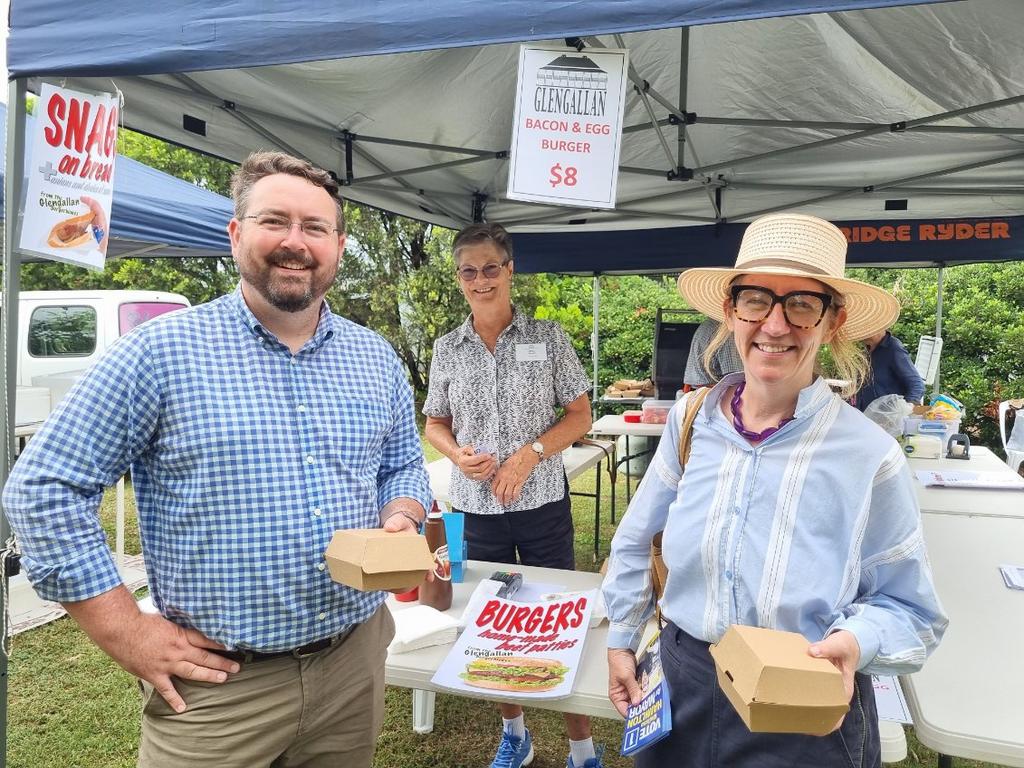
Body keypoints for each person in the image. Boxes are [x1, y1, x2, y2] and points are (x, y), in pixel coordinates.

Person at [3, 151, 432, 768]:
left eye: (315, 227)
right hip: (220, 692)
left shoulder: (377, 358)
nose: (295, 242)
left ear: (337, 243)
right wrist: (127, 631)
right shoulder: (157, 353)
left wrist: (402, 515)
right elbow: (43, 489)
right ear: (235, 234)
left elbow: (401, 464)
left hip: (352, 666)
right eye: (274, 221)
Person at [602, 213, 947, 768]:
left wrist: (856, 643)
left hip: (801, 703)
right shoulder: (692, 420)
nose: (776, 325)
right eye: (757, 300)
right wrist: (621, 637)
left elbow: (911, 609)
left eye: (802, 304)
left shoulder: (868, 454)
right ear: (730, 311)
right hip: (682, 683)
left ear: (833, 323)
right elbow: (636, 535)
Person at [423, 223, 602, 768]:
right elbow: (435, 424)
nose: (481, 280)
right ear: (458, 279)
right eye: (469, 271)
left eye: (491, 268)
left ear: (509, 270)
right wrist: (455, 455)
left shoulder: (547, 339)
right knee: (493, 622)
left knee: (559, 618)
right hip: (477, 510)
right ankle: (516, 735)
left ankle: (582, 748)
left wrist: (531, 453)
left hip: (542, 504)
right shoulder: (447, 348)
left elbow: (580, 415)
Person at [855, 327, 926, 410]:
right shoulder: (866, 351)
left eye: (865, 329)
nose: (862, 333)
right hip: (868, 416)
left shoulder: (893, 348)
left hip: (889, 418)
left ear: (880, 327)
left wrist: (904, 409)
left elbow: (917, 385)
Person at [682, 316, 743, 388]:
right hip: (711, 391)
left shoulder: (710, 323)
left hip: (697, 387)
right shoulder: (726, 329)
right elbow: (737, 376)